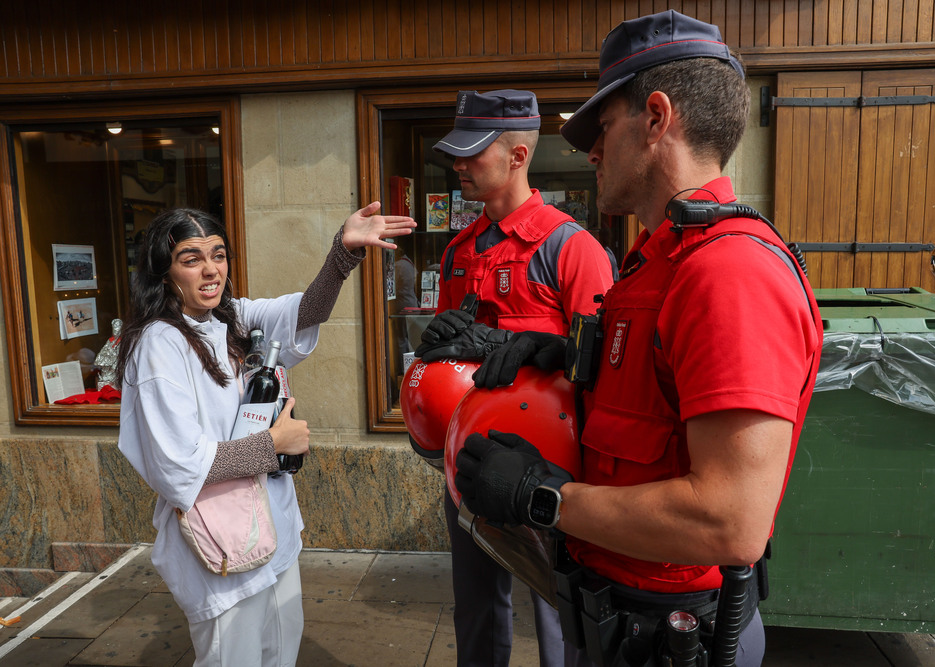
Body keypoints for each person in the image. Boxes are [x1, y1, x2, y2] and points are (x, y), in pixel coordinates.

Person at [453, 11, 824, 667]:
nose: (590, 151)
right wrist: (565, 365)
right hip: (621, 627)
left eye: (602, 126)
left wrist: (543, 496)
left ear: (656, 118)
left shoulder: (727, 273)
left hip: (675, 641)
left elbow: (729, 521)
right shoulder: (658, 262)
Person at [115, 204, 415, 666]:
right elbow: (179, 465)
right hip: (219, 541)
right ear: (162, 271)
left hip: (270, 527)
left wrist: (343, 254)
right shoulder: (161, 344)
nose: (211, 269)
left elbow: (302, 313)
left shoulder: (229, 319)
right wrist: (273, 446)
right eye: (191, 258)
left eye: (218, 254)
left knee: (280, 651)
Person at [413, 88, 615, 666]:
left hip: (549, 469)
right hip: (470, 457)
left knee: (559, 614)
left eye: (472, 154)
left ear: (518, 156)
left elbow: (600, 368)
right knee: (474, 606)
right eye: (455, 153)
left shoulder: (571, 249)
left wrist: (528, 348)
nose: (458, 166)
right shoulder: (458, 253)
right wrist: (435, 348)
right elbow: (449, 367)